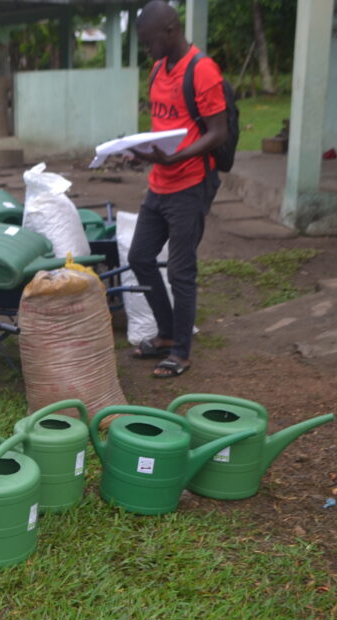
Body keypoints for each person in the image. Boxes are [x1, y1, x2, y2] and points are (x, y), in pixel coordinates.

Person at [126, 0, 228, 378]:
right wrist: (142, 153)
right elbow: (164, 129)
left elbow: (219, 133)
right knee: (139, 257)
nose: (146, 49)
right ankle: (167, 334)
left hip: (189, 186)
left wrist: (178, 157)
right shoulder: (157, 70)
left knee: (181, 272)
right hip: (160, 184)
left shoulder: (202, 71)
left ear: (170, 31)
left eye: (149, 40)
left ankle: (181, 353)